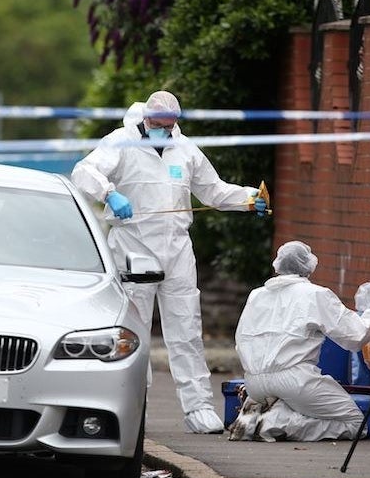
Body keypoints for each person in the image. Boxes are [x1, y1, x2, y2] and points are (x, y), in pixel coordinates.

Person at [71, 90, 267, 434]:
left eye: (170, 125)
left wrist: (249, 199)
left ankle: (198, 408)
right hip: (133, 245)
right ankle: (131, 405)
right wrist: (109, 193)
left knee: (187, 329)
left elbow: (214, 191)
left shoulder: (185, 148)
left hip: (177, 247)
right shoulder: (120, 142)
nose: (164, 131)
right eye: (158, 125)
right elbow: (83, 171)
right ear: (146, 119)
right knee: (134, 330)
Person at [234, 241, 370, 441]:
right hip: (294, 380)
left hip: (253, 382)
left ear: (278, 265)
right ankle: (276, 423)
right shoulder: (315, 294)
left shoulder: (256, 295)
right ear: (309, 266)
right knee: (355, 423)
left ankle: (254, 419)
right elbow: (355, 337)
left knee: (296, 402)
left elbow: (240, 339)